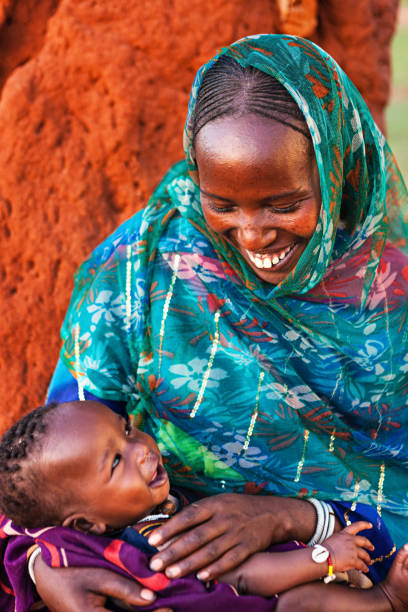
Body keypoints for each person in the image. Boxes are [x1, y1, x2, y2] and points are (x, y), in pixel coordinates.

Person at [1, 33, 407, 611]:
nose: (252, 234)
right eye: (223, 203)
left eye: (284, 204)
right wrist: (39, 558)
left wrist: (288, 518)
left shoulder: (393, 302)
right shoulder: (141, 276)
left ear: (338, 169)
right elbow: (54, 469)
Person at [1, 399, 406, 612]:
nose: (140, 450)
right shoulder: (157, 542)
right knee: (300, 605)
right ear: (85, 524)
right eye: (116, 462)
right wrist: (325, 558)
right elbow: (247, 577)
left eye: (126, 429)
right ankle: (386, 602)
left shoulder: (132, 517)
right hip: (260, 597)